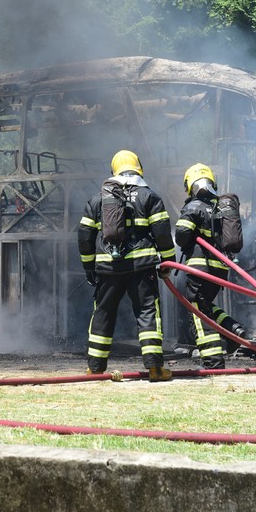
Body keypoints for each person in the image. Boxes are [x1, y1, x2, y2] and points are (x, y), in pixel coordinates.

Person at [78, 150, 176, 381]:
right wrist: (168, 262)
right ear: (138, 168)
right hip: (142, 268)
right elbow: (162, 232)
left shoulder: (98, 199)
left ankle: (95, 369)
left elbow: (84, 237)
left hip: (108, 268)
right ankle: (155, 369)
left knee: (103, 314)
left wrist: (89, 267)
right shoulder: (149, 197)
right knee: (147, 313)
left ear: (114, 170)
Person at [174, 162, 248, 369]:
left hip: (199, 268)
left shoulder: (193, 206)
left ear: (190, 184)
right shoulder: (221, 208)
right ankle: (233, 330)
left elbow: (181, 236)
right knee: (205, 304)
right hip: (219, 269)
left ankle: (213, 362)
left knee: (198, 312)